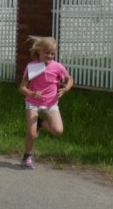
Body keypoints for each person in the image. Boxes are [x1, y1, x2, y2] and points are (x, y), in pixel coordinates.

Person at [18, 36, 73, 169]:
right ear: (39, 51)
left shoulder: (58, 67)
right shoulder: (32, 67)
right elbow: (22, 88)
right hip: (33, 103)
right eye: (46, 52)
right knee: (31, 134)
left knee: (58, 131)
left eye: (52, 54)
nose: (49, 56)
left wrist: (65, 88)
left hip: (51, 103)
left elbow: (70, 79)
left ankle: (40, 124)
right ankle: (27, 156)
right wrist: (31, 93)